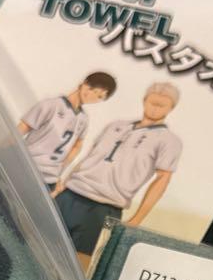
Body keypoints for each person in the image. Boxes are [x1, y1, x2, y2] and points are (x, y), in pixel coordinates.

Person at [53, 81, 183, 261]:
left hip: (104, 208)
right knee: (32, 243)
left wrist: (137, 219)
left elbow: (162, 179)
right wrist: (63, 184)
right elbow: (90, 156)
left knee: (78, 263)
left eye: (161, 105)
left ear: (171, 108)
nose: (155, 108)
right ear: (144, 100)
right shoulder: (116, 125)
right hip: (69, 195)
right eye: (152, 102)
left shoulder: (169, 141)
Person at [17, 71, 117, 188]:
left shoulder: (83, 119)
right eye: (93, 90)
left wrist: (60, 171)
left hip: (49, 179)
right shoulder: (51, 105)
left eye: (100, 97)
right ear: (84, 83)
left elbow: (77, 145)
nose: (93, 97)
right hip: (26, 166)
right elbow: (20, 130)